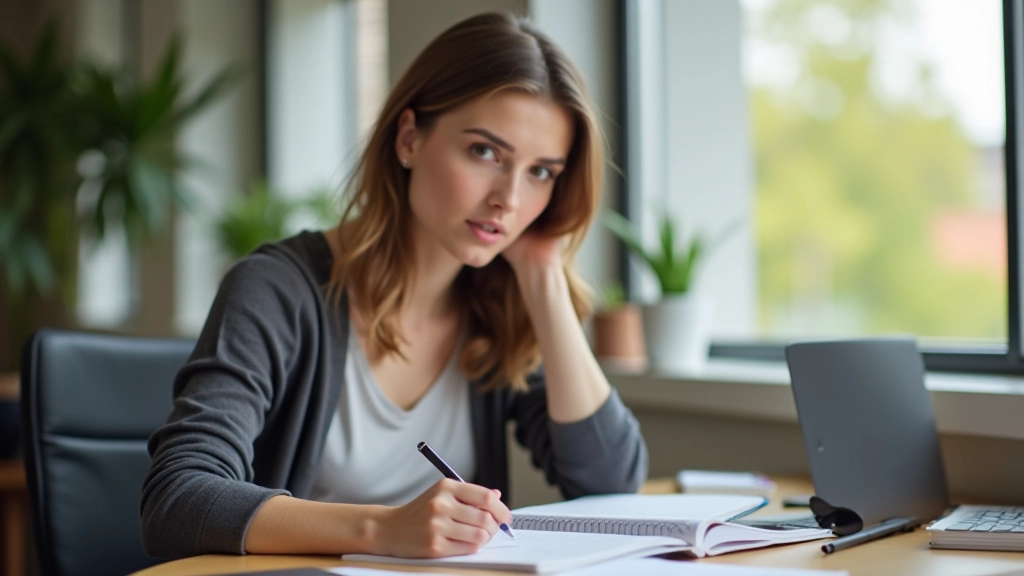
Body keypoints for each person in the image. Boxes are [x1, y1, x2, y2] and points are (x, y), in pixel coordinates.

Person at [141, 11, 648, 561]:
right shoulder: (277, 290)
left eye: (541, 172)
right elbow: (178, 501)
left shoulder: (499, 307)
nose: (510, 199)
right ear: (409, 138)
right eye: (485, 152)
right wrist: (382, 530)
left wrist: (544, 274)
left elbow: (611, 486)